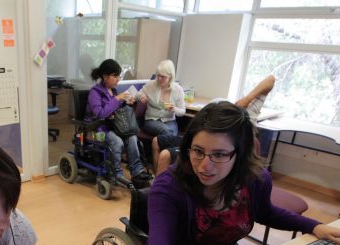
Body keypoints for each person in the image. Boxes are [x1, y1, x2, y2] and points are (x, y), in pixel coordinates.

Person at [142, 101, 340, 245]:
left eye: (219, 154)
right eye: (198, 151)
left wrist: (314, 226)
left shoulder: (255, 179)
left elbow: (267, 213)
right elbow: (161, 239)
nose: (204, 165)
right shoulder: (168, 187)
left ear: (240, 155)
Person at [154, 75, 276, 175]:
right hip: (201, 140)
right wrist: (244, 101)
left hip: (212, 145)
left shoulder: (249, 115)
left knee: (166, 155)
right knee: (157, 142)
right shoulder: (223, 107)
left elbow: (271, 79)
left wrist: (245, 101)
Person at [85, 59, 153, 188]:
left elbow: (115, 109)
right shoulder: (95, 92)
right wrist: (117, 99)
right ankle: (115, 173)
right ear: (105, 76)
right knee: (117, 142)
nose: (118, 79)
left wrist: (126, 102)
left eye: (118, 76)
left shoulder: (113, 91)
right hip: (96, 130)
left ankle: (137, 172)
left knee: (132, 137)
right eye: (115, 76)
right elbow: (100, 114)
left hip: (112, 126)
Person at [137, 59, 185, 170]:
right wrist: (141, 96)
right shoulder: (151, 85)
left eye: (163, 76)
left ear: (170, 76)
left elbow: (182, 111)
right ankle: (165, 169)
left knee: (169, 137)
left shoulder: (178, 90)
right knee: (169, 134)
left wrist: (174, 109)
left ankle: (160, 169)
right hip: (152, 120)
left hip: (170, 120)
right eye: (158, 75)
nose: (159, 79)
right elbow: (137, 93)